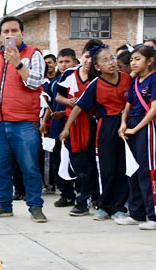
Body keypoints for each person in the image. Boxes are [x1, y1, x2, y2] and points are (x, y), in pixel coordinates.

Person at [0, 15, 47, 222]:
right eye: (5, 32)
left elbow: (35, 83)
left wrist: (18, 64)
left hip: (24, 121)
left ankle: (35, 206)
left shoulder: (33, 54)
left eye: (14, 31)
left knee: (29, 167)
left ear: (22, 33)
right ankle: (4, 204)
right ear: (0, 36)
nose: (10, 35)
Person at [60, 45, 132, 221]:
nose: (111, 62)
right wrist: (66, 128)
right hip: (106, 125)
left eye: (112, 58)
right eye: (105, 60)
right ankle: (104, 206)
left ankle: (119, 207)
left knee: (124, 168)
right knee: (107, 169)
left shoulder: (127, 79)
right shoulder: (96, 84)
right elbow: (78, 107)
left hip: (125, 124)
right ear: (98, 66)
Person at [118, 45, 156, 230]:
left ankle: (155, 216)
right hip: (131, 125)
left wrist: (136, 128)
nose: (133, 62)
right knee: (133, 170)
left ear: (150, 61)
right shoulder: (135, 81)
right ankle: (137, 213)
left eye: (137, 59)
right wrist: (124, 124)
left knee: (148, 171)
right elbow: (127, 105)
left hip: (146, 127)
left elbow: (155, 110)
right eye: (132, 59)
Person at [57, 39, 102, 217]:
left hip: (92, 124)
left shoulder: (99, 78)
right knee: (79, 165)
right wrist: (69, 101)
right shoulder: (70, 74)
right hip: (73, 125)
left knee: (93, 164)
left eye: (93, 58)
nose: (89, 60)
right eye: (86, 56)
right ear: (81, 56)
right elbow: (59, 96)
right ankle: (84, 198)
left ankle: (90, 199)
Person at [40, 48, 78, 208]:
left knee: (75, 160)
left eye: (67, 61)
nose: (63, 65)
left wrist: (64, 112)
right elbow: (49, 105)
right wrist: (44, 122)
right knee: (57, 160)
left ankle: (81, 193)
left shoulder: (79, 79)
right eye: (61, 62)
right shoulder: (55, 82)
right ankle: (66, 194)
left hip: (75, 126)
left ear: (75, 62)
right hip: (56, 127)